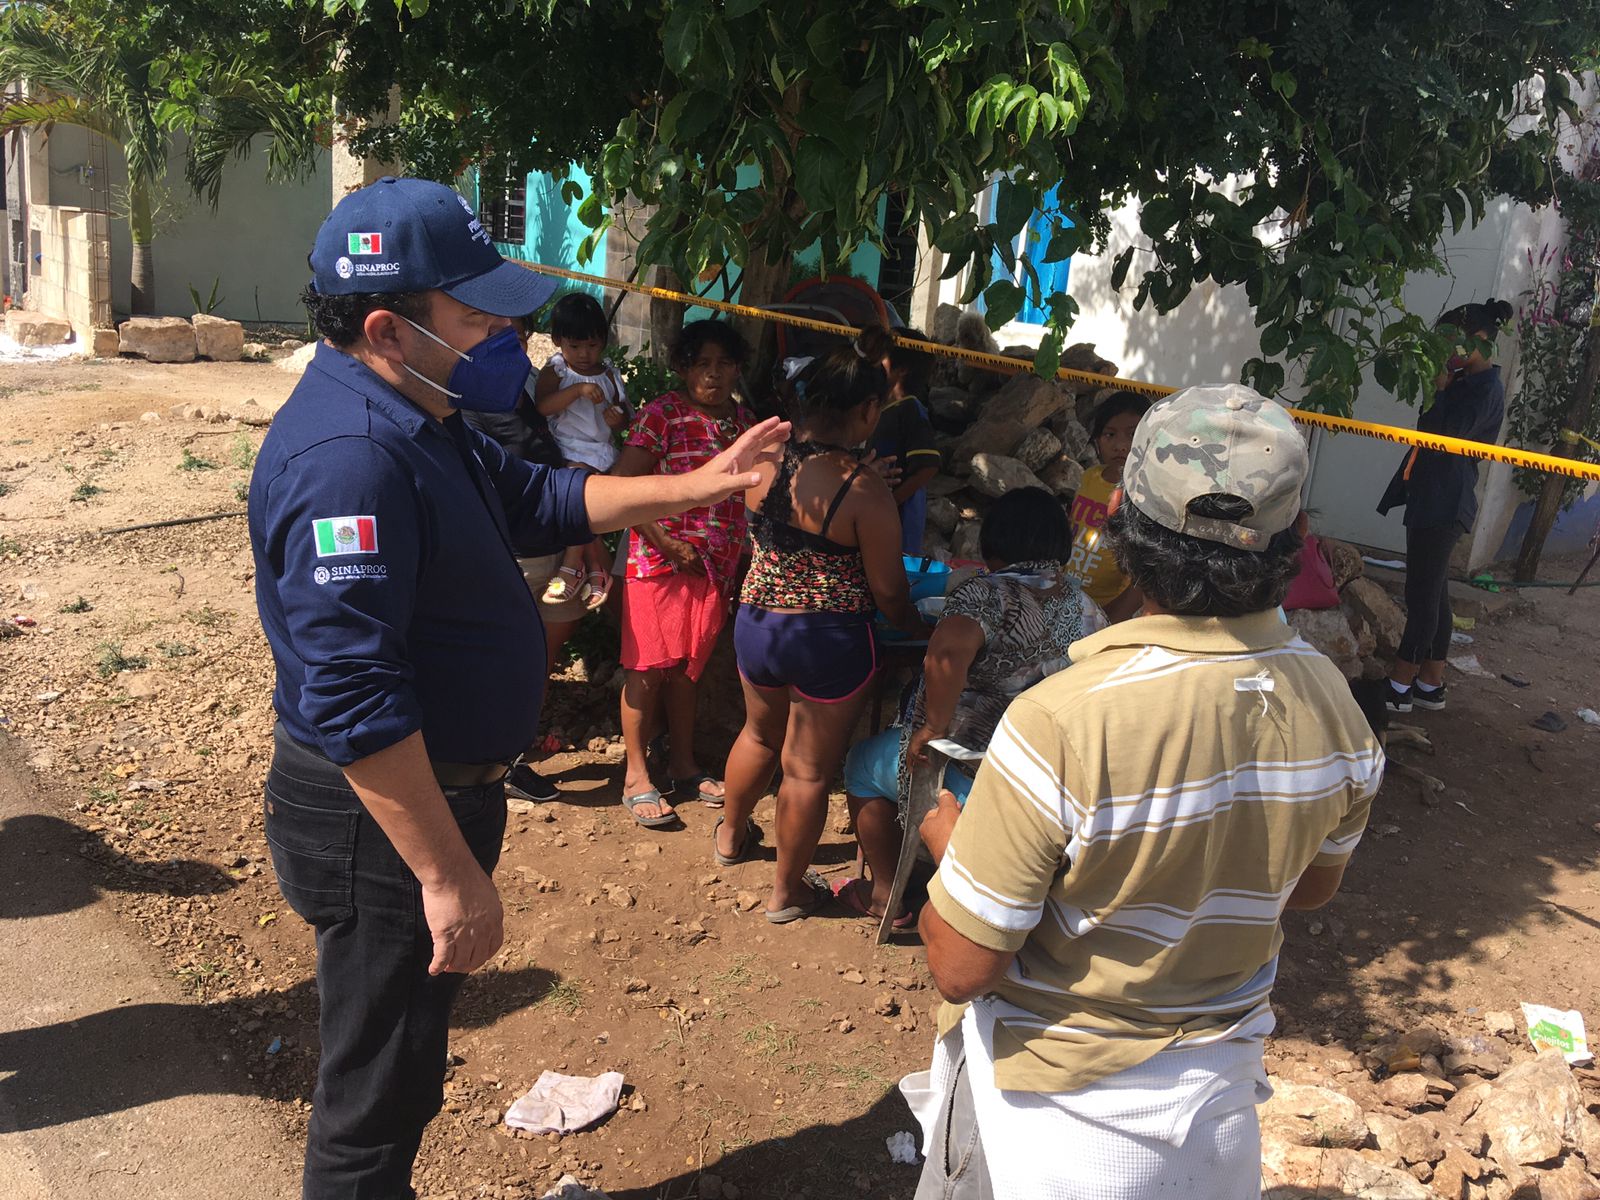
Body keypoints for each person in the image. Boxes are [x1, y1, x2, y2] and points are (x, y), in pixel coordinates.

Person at [248, 176, 788, 1200]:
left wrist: (704, 482)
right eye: (476, 312)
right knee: (375, 1088)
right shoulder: (350, 462)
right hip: (385, 824)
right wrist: (446, 877)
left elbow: (543, 498)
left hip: (432, 801)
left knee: (403, 1064)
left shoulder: (421, 405)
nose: (506, 329)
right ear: (387, 327)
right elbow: (355, 704)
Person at [907, 384, 1384, 1200]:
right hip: (1217, 1117)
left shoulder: (1061, 720)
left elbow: (961, 964)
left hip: (1053, 1121)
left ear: (1121, 519)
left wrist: (950, 846)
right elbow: (1304, 889)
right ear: (1293, 536)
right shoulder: (1334, 707)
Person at [716, 327, 929, 923]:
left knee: (758, 736)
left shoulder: (762, 461)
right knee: (805, 768)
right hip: (828, 640)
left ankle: (732, 835)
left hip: (758, 625)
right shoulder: (862, 491)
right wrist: (918, 624)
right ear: (866, 410)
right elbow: (889, 591)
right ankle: (789, 893)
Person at [836, 487, 1105, 926]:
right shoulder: (1088, 606)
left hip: (972, 772)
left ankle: (886, 894)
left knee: (862, 765)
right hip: (1047, 776)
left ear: (992, 545)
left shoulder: (984, 593)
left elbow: (948, 653)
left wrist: (931, 728)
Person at [612, 320, 755, 827]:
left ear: (738, 368)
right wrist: (668, 544)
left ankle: (683, 765)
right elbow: (620, 489)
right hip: (655, 564)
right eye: (702, 365)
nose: (713, 375)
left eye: (724, 364)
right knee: (646, 668)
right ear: (683, 369)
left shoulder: (743, 424)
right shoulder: (662, 415)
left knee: (685, 670)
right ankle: (635, 775)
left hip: (713, 571)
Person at [459, 312, 589, 804]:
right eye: (494, 334)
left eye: (514, 335)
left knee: (537, 661)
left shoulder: (529, 386)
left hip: (552, 545)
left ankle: (510, 752)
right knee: (505, 664)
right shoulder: (465, 403)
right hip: (508, 552)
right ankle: (496, 765)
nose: (506, 345)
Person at [1377, 298, 1512, 713]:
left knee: (1421, 595)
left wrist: (1438, 389)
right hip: (1430, 494)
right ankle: (1431, 682)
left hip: (1445, 500)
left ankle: (1400, 686)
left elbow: (1447, 433)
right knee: (1435, 595)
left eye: (1453, 340)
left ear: (1480, 341)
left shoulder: (1484, 388)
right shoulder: (1462, 381)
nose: (1446, 349)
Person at [534, 292, 631, 607]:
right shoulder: (558, 370)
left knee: (579, 504)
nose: (584, 354)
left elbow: (624, 417)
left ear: (603, 341)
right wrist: (575, 390)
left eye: (591, 345)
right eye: (575, 346)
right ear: (558, 341)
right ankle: (591, 569)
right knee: (580, 506)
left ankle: (575, 566)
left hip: (598, 453)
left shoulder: (609, 374)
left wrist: (616, 418)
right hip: (564, 449)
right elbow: (543, 407)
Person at [1065, 390, 1151, 621]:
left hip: (1104, 609)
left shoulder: (1144, 494)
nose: (1120, 445)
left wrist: (1109, 618)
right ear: (1097, 440)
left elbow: (1143, 574)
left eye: (1132, 434)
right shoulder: (1090, 476)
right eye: (1110, 434)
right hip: (1065, 594)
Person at [870, 329, 942, 554]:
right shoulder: (883, 409)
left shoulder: (910, 409)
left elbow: (928, 466)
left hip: (900, 520)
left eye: (881, 357)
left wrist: (892, 501)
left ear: (901, 370)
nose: (873, 363)